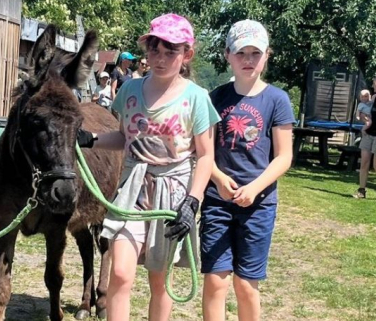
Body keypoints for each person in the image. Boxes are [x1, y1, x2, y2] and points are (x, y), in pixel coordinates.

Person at [77, 13, 219, 321]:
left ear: (186, 54)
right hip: (133, 189)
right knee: (121, 273)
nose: (161, 58)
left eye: (171, 51)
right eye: (155, 50)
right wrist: (91, 139)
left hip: (173, 194)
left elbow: (206, 156)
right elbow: (124, 137)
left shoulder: (197, 98)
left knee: (160, 279)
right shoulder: (130, 90)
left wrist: (192, 202)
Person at [198, 20, 295, 321]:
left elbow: (284, 157)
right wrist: (217, 178)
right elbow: (204, 152)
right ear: (227, 54)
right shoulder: (215, 98)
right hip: (217, 202)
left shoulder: (277, 100)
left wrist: (254, 188)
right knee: (215, 281)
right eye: (241, 53)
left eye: (255, 53)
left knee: (245, 284)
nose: (248, 60)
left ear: (267, 55)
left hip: (259, 205)